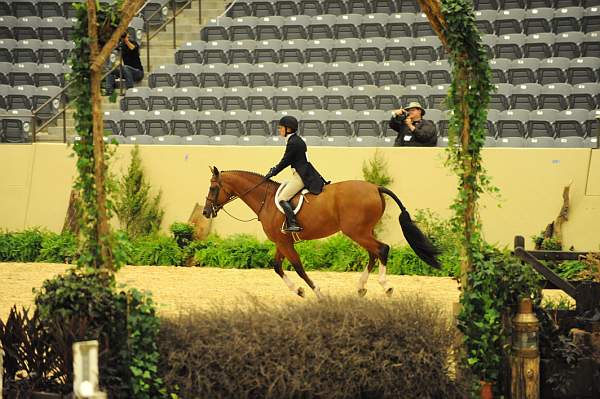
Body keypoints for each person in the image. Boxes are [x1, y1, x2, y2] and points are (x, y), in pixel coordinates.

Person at [265, 116, 327, 232]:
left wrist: (273, 172)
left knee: (282, 198)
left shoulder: (293, 142)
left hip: (301, 175)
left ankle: (293, 224)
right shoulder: (295, 140)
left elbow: (285, 161)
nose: (280, 130)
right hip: (300, 173)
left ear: (288, 129)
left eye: (281, 128)